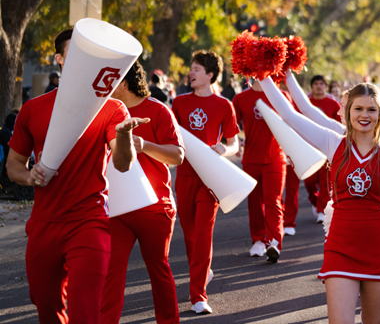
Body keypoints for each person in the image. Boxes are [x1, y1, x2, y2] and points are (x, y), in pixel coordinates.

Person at [6, 29, 142, 323]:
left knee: (84, 308)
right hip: (44, 223)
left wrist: (124, 136)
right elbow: (14, 164)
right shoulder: (32, 109)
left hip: (88, 221)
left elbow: (123, 163)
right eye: (77, 54)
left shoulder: (112, 108)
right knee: (46, 306)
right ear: (59, 58)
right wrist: (29, 177)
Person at [260, 77, 380, 324]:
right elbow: (290, 115)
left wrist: (376, 222)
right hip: (340, 245)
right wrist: (264, 75)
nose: (364, 115)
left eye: (371, 110)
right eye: (358, 109)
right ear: (347, 112)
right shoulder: (334, 143)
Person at [101, 61, 184, 324]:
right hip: (116, 207)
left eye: (110, 81)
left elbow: (178, 156)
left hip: (155, 207)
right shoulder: (104, 111)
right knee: (110, 275)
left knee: (158, 269)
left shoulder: (158, 111)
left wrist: (144, 145)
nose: (104, 88)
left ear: (123, 83)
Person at [171, 50, 240, 314]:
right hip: (185, 175)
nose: (191, 72)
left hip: (210, 178)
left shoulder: (224, 105)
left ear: (210, 75)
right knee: (190, 237)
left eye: (197, 69)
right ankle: (203, 272)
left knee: (202, 236)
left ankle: (198, 296)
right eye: (191, 68)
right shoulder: (179, 103)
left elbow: (235, 143)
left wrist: (226, 149)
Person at [232, 79, 292, 262]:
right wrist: (237, 142)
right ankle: (258, 240)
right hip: (251, 158)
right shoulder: (241, 98)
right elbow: (232, 126)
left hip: (276, 158)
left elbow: (291, 125)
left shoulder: (282, 96)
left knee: (273, 200)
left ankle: (274, 242)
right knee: (255, 201)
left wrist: (292, 150)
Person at [305, 74, 342, 223]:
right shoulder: (306, 102)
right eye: (316, 84)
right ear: (312, 86)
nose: (318, 86)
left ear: (325, 87)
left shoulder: (333, 104)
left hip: (327, 148)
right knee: (309, 181)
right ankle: (315, 201)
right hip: (308, 148)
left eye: (321, 84)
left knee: (326, 182)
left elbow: (340, 127)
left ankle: (322, 210)